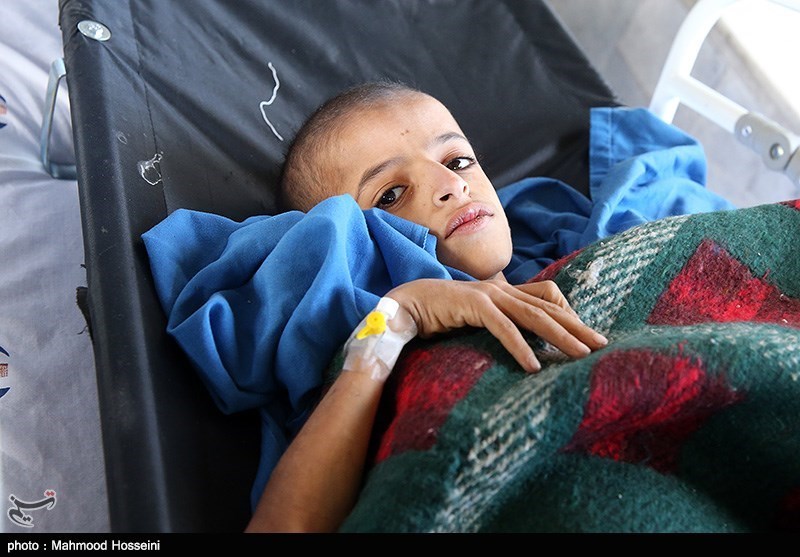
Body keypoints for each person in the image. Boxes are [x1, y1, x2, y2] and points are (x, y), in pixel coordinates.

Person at [244, 81, 609, 532]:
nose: (451, 185)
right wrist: (398, 315)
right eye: (391, 195)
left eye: (457, 161)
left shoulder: (584, 259)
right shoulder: (370, 365)